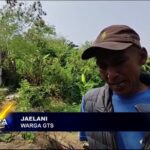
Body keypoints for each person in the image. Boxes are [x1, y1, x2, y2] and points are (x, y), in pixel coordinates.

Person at [80, 25, 150, 149]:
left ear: (142, 57)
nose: (111, 76)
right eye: (102, 66)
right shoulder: (90, 102)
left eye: (119, 62)